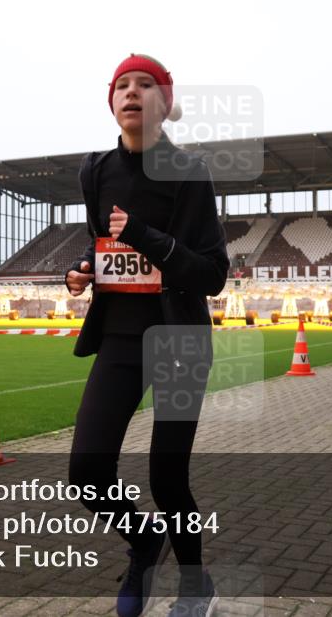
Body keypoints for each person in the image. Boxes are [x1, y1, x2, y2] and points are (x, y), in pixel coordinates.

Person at [64, 54, 228, 617]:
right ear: (111, 101)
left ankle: (193, 585)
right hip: (119, 338)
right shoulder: (94, 171)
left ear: (164, 100)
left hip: (179, 339)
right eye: (122, 85)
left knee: (168, 477)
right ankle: (142, 543)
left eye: (145, 84)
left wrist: (146, 236)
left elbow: (212, 273)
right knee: (86, 472)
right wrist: (80, 270)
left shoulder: (189, 172)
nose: (132, 92)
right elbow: (101, 244)